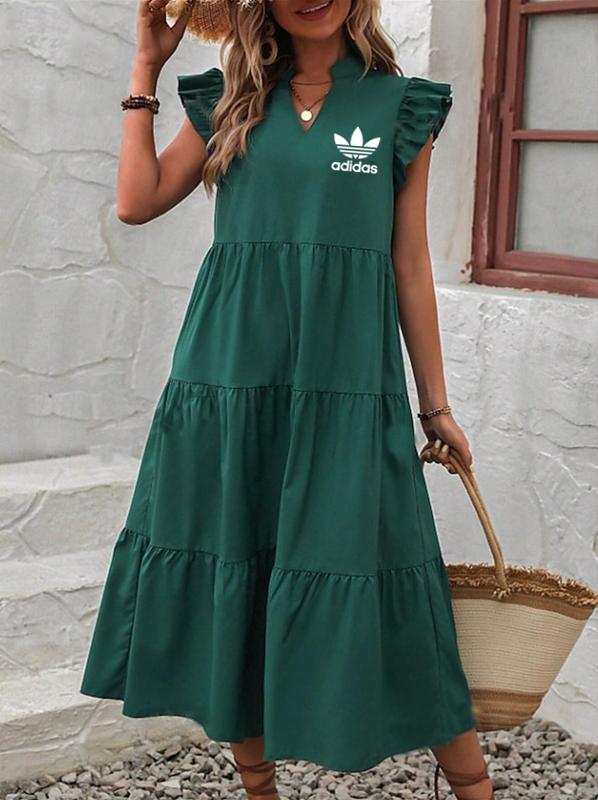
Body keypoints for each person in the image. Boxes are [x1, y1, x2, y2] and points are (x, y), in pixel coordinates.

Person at [79, 1, 496, 798]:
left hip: (348, 389)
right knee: (238, 569)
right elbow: (136, 200)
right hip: (230, 382)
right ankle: (259, 788)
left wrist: (435, 407)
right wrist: (145, 70)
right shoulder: (229, 102)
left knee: (391, 569)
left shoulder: (397, 107)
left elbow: (409, 262)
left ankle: (474, 787)